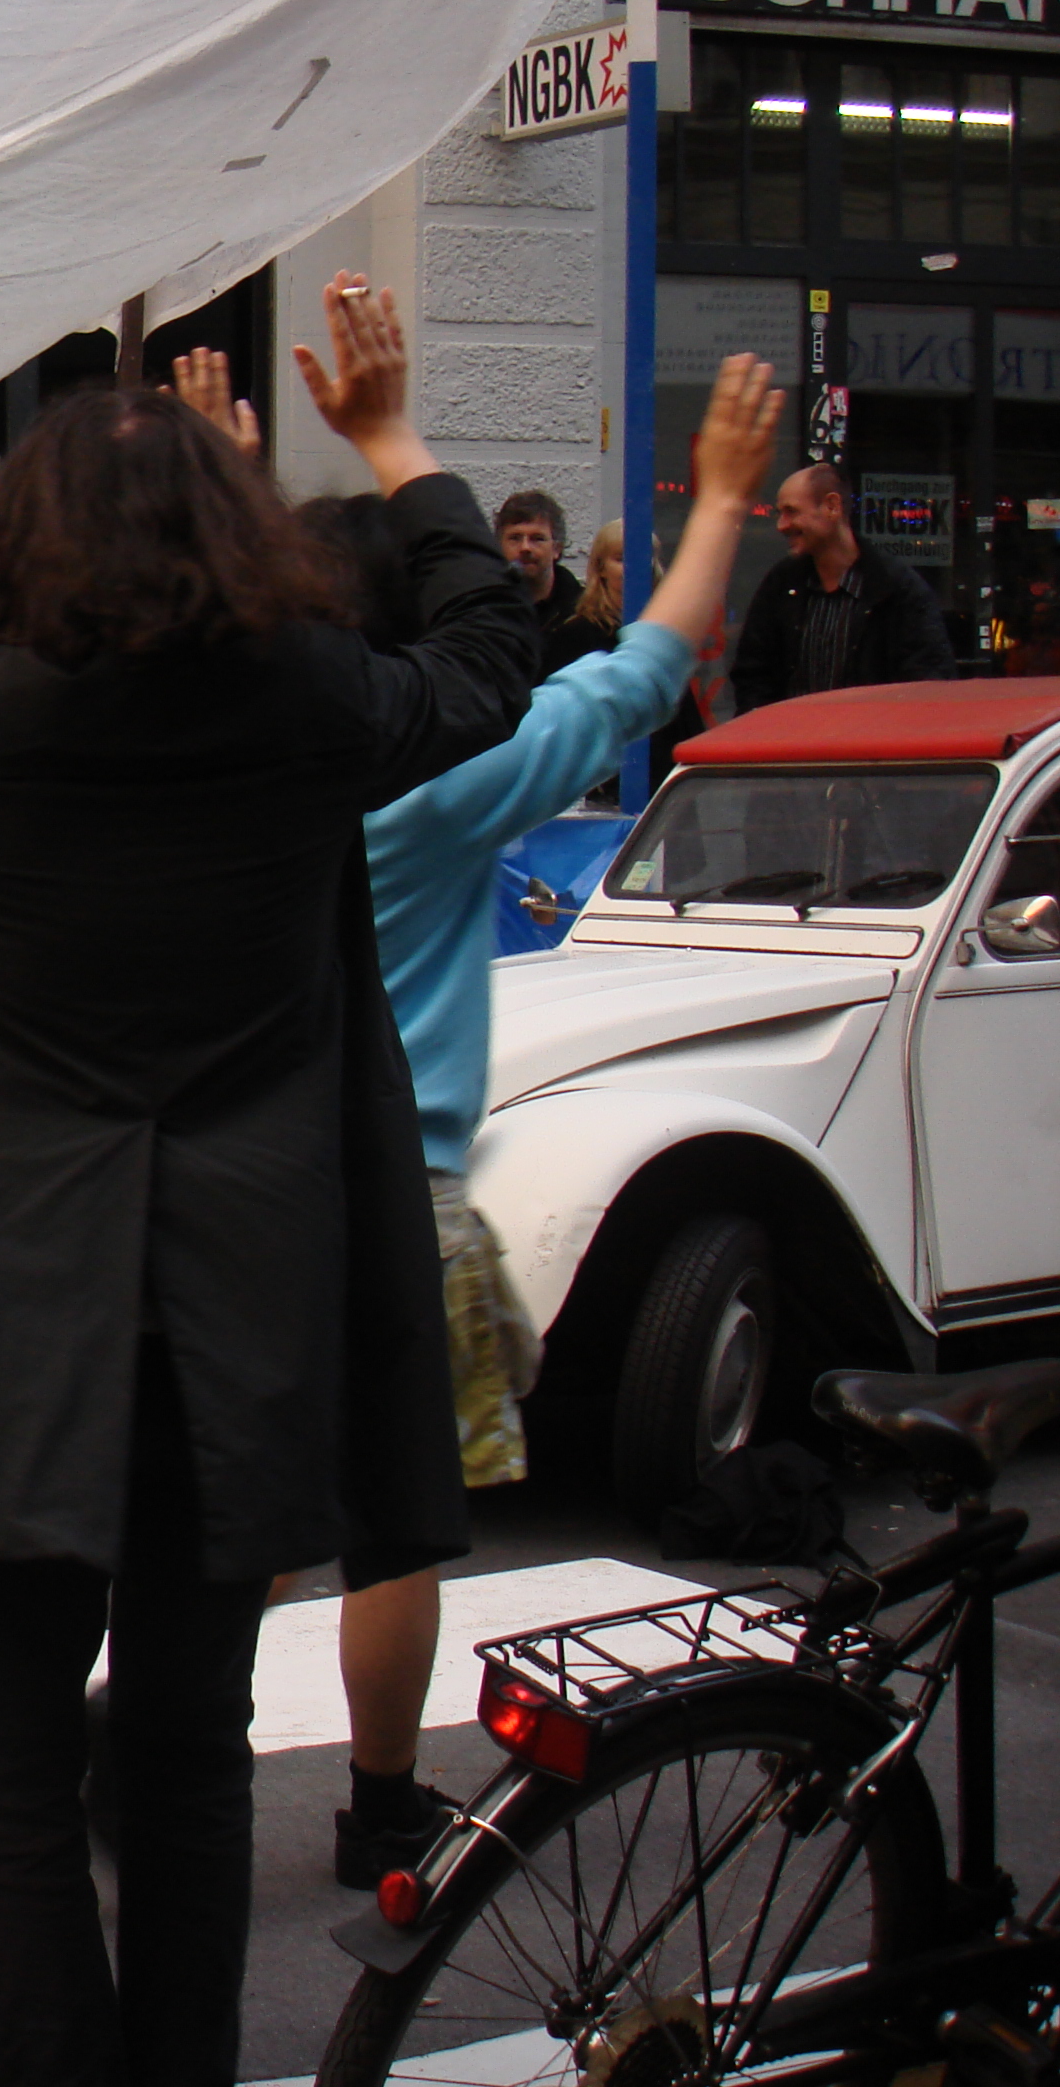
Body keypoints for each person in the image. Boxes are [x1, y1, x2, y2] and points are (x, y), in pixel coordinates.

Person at [0, 273, 535, 2087]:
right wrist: (385, 437)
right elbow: (485, 652)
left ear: (11, 536)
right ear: (236, 523)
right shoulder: (305, 698)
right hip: (236, 1317)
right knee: (192, 1762)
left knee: (5, 1774)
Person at [299, 352, 783, 1890]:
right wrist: (715, 498)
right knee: (394, 1526)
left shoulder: (223, 763)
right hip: (402, 1189)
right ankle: (382, 1805)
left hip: (230, 1184)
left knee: (210, 1503)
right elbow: (642, 671)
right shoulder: (444, 786)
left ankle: (139, 1732)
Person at [730, 460, 957, 709]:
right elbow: (752, 676)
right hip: (790, 744)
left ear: (832, 506)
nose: (781, 525)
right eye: (779, 513)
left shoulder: (897, 589)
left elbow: (928, 686)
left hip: (869, 743)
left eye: (791, 511)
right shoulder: (781, 585)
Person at [542, 518, 707, 780]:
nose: (634, 566)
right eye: (620, 558)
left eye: (645, 556)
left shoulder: (660, 633)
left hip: (663, 778)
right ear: (601, 568)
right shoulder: (575, 635)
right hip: (601, 783)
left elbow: (684, 718)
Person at [495, 488, 581, 667]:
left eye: (537, 539)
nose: (525, 548)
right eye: (515, 538)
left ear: (557, 549)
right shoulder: (481, 610)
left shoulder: (583, 614)